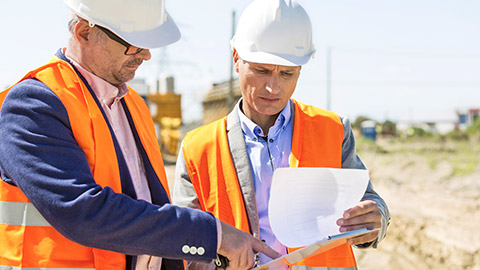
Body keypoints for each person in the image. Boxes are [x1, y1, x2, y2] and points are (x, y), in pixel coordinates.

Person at [0, 0, 280, 269]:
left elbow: (148, 212)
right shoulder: (34, 105)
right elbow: (82, 211)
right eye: (133, 42)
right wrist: (211, 234)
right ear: (84, 33)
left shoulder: (133, 105)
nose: (146, 55)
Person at [173, 0, 390, 269]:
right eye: (261, 70)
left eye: (287, 73)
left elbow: (370, 202)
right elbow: (183, 240)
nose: (273, 87)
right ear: (237, 59)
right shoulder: (198, 148)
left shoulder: (333, 130)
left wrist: (374, 219)